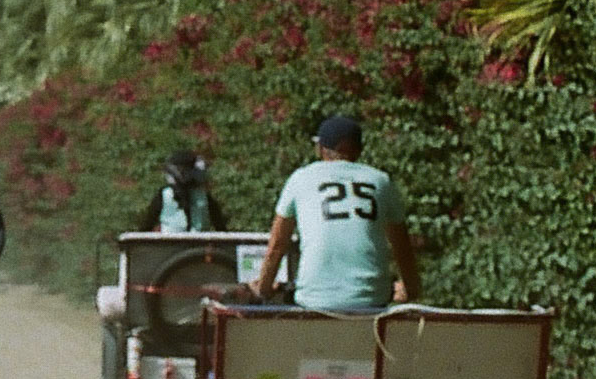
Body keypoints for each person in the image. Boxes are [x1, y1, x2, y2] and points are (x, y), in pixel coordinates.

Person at [249, 115, 421, 312]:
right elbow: (402, 246)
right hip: (371, 301)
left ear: (320, 149)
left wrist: (263, 288)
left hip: (315, 301)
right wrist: (411, 289)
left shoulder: (301, 178)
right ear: (359, 150)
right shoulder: (381, 180)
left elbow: (278, 245)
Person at [138, 150, 226, 233]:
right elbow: (221, 227)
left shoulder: (164, 195)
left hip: (169, 246)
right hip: (199, 246)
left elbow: (146, 226)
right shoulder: (204, 197)